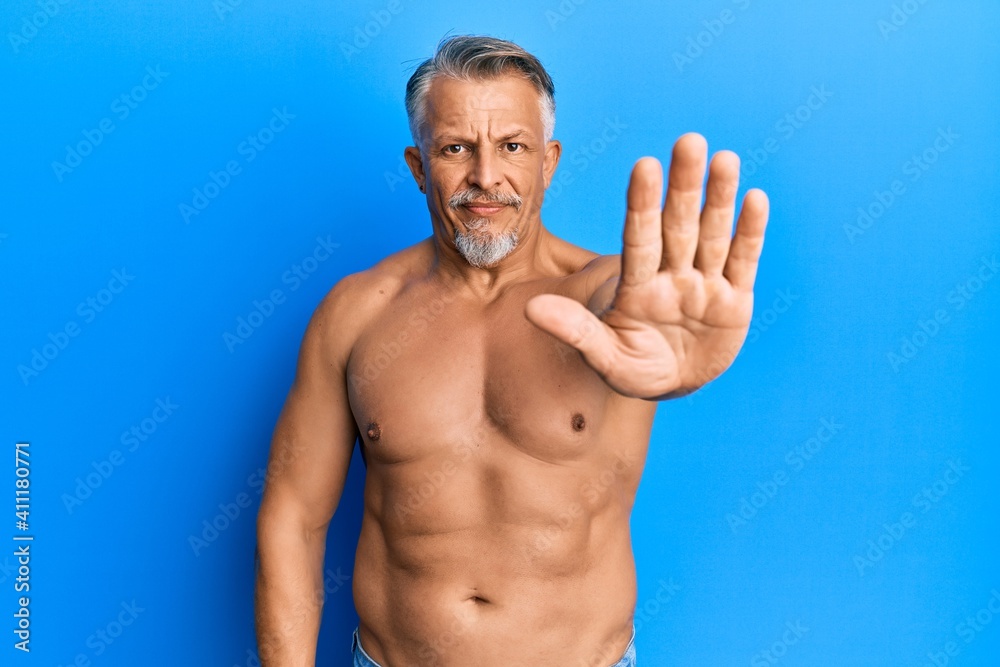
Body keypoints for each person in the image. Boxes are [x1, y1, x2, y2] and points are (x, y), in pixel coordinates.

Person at [254, 35, 768, 667]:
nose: (485, 177)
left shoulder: (607, 296)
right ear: (419, 168)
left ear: (548, 161)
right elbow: (293, 519)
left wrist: (671, 345)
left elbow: (634, 305)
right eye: (455, 148)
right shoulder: (357, 313)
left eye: (513, 147)